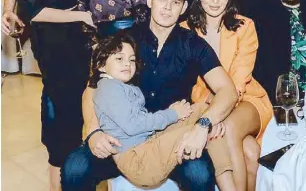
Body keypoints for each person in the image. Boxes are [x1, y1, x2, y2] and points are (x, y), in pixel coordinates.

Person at [61, 0, 238, 191]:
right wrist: (93, 131)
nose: (167, 8)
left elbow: (228, 91)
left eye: (175, 2)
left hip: (171, 136)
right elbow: (92, 87)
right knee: (74, 169)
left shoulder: (193, 44)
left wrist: (203, 125)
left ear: (183, 8)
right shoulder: (125, 39)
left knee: (200, 175)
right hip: (123, 137)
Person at [8, 0, 94, 190]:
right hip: (53, 46)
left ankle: (82, 178)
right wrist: (80, 15)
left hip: (84, 43)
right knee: (63, 118)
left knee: (89, 112)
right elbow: (34, 10)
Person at [90, 32, 235, 190]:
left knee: (203, 111)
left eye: (131, 59)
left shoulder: (122, 86)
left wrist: (207, 121)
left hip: (147, 144)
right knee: (198, 129)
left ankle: (226, 184)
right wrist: (172, 115)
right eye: (119, 58)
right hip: (137, 160)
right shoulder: (108, 88)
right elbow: (133, 125)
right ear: (101, 65)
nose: (127, 64)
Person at [181, 0, 273, 191]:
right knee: (250, 153)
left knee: (229, 127)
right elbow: (186, 82)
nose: (215, 0)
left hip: (247, 100)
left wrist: (219, 111)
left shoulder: (244, 26)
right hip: (205, 104)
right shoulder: (184, 30)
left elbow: (240, 79)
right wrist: (211, 112)